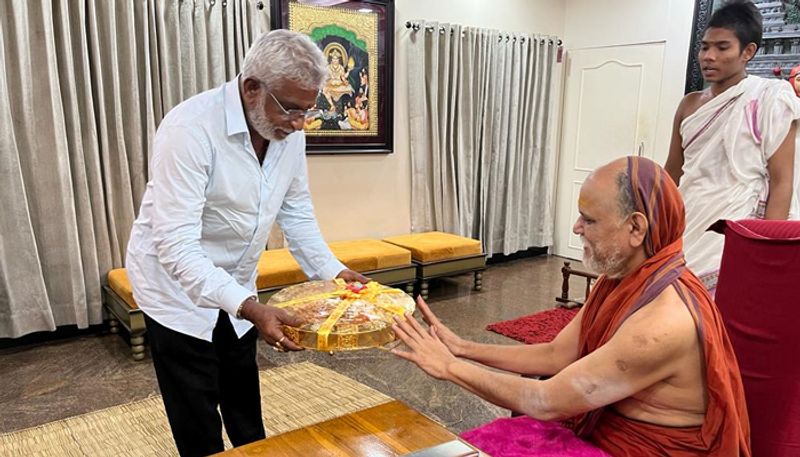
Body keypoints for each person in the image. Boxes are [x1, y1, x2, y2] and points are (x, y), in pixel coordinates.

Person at [392, 157, 751, 456]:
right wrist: (462, 347)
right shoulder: (621, 278)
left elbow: (546, 401)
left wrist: (449, 367)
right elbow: (555, 354)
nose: (576, 228)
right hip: (606, 431)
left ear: (636, 228)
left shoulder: (663, 322)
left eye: (589, 219)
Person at [125, 30, 366, 457]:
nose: (298, 124)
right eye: (291, 109)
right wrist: (251, 307)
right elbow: (176, 244)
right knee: (195, 411)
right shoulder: (189, 128)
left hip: (238, 283)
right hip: (175, 290)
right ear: (252, 87)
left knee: (241, 393)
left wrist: (332, 271)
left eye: (307, 111)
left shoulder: (286, 132)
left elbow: (296, 211)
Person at [665, 0, 800, 294]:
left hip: (736, 223)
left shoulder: (770, 99)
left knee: (720, 314)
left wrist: (765, 253)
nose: (708, 56)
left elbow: (781, 182)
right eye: (704, 47)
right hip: (689, 218)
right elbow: (671, 173)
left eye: (722, 47)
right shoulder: (689, 105)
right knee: (671, 306)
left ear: (747, 52)